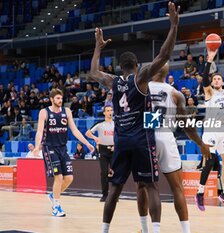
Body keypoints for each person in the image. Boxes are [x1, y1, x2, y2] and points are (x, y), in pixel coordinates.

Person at [89, 3, 180, 233]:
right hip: (141, 140)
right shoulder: (140, 79)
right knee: (150, 186)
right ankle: (155, 230)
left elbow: (93, 72)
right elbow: (164, 54)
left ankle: (104, 230)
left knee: (113, 191)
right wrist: (174, 25)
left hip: (121, 142)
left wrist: (98, 48)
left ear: (120, 67)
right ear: (137, 66)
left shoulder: (113, 81)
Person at [137, 62, 211, 233]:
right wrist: (200, 144)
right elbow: (186, 125)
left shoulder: (142, 87)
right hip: (166, 135)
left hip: (146, 136)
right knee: (177, 188)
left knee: (144, 186)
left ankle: (146, 229)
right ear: (167, 72)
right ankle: (186, 231)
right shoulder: (176, 93)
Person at [33, 89, 94, 217]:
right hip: (49, 148)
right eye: (57, 98)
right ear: (51, 99)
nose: (60, 101)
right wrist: (37, 146)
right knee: (59, 177)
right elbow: (39, 131)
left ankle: (53, 195)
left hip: (62, 148)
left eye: (61, 98)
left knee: (69, 178)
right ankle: (56, 206)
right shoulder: (44, 112)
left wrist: (87, 143)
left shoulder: (67, 112)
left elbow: (75, 130)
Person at [195, 45, 224, 212]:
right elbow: (204, 78)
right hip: (211, 130)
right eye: (215, 79)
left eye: (219, 78)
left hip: (223, 132)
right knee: (210, 162)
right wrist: (210, 59)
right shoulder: (209, 93)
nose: (217, 80)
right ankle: (199, 193)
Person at [85, 105, 114, 202]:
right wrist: (95, 138)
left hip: (114, 149)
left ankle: (114, 194)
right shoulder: (100, 124)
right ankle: (105, 194)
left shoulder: (116, 124)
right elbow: (88, 133)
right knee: (104, 172)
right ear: (104, 113)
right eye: (108, 110)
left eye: (111, 110)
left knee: (115, 172)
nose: (110, 112)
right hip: (103, 150)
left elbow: (121, 135)